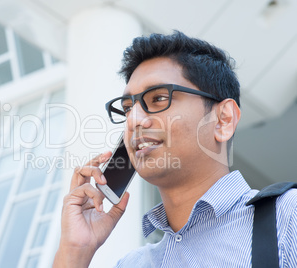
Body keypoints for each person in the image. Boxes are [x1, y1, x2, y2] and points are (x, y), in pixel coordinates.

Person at [53, 31, 297, 267]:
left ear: (223, 119)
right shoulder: (132, 264)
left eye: (158, 98)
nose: (133, 120)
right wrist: (74, 252)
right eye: (127, 108)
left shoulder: (287, 218)